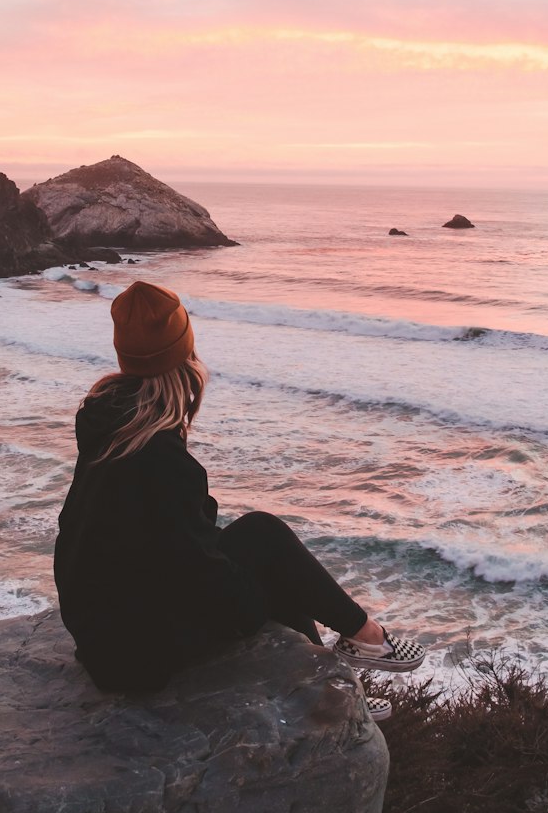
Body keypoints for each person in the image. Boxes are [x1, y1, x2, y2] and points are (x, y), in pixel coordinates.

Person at [54, 281, 426, 712]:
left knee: (261, 542)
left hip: (101, 634)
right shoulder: (159, 458)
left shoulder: (107, 422)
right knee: (269, 548)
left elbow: (159, 545)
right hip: (136, 656)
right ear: (183, 357)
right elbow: (198, 570)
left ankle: (335, 681)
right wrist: (262, 591)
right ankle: (359, 650)